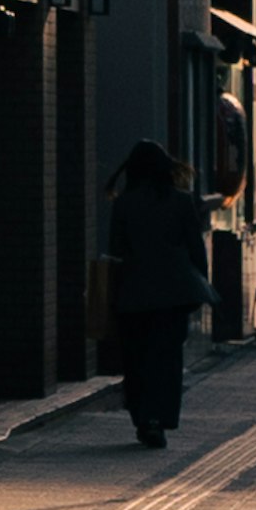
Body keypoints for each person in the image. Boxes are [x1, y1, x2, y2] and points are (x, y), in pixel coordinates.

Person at [111, 139, 213, 443]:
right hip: (174, 293)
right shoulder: (181, 202)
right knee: (167, 359)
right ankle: (159, 416)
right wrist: (200, 285)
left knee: (137, 358)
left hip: (134, 293)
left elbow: (115, 250)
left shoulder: (124, 204)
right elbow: (196, 248)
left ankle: (143, 417)